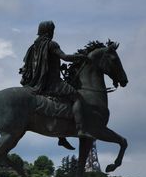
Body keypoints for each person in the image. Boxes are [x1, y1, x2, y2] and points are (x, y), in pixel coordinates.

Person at [19, 20, 93, 148]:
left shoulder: (33, 47)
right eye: (52, 30)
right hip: (52, 83)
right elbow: (64, 57)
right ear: (49, 31)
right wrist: (81, 57)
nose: (53, 33)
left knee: (60, 103)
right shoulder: (51, 44)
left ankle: (62, 137)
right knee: (76, 97)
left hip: (35, 83)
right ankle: (81, 129)